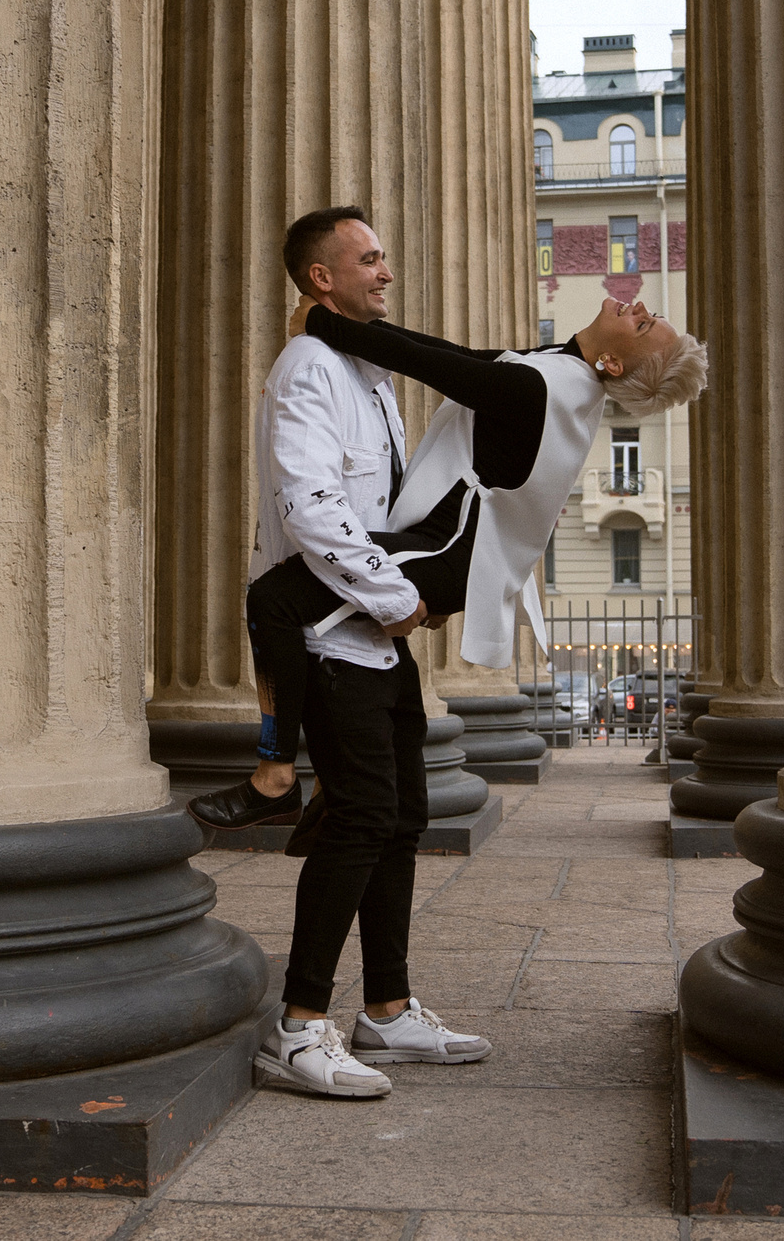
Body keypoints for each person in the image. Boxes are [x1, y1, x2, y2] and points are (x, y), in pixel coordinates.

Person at [193, 211, 706, 1099]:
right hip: (339, 625)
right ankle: (299, 1024)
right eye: (371, 258)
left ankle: (385, 1009)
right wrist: (403, 597)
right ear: (322, 280)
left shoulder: (535, 386)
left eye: (647, 321)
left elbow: (436, 367)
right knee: (361, 819)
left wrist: (408, 600)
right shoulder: (320, 365)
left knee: (398, 818)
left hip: (374, 619)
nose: (387, 271)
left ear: (618, 364)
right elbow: (317, 505)